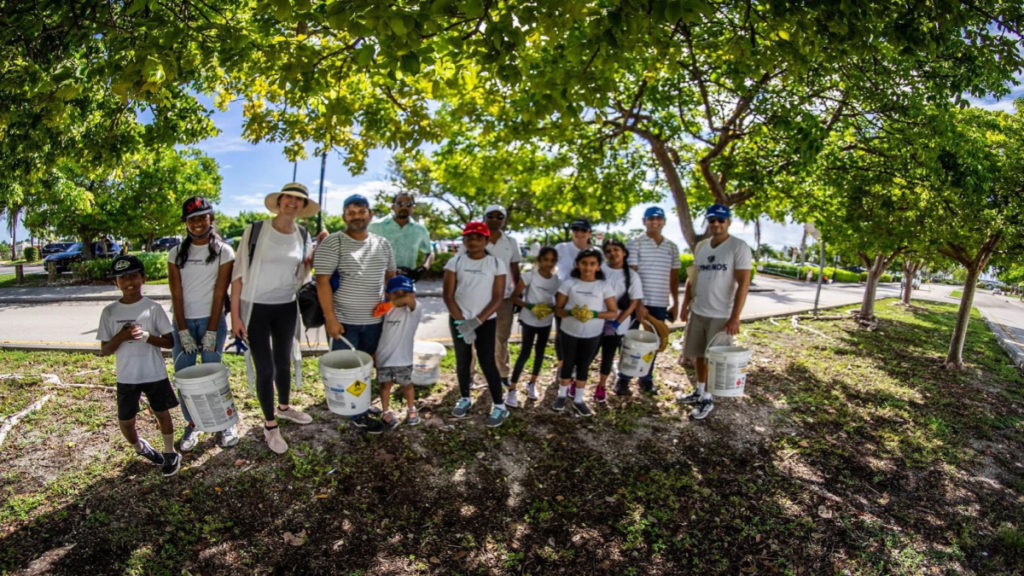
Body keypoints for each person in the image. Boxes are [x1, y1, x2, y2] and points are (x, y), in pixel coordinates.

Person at [231, 183, 318, 454]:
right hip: (255, 307)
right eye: (288, 198)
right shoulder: (256, 230)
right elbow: (237, 275)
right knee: (265, 368)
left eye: (298, 200)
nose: (292, 203)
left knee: (284, 362)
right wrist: (235, 316)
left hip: (286, 307)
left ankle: (283, 408)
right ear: (279, 201)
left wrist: (314, 256)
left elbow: (302, 273)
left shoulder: (303, 235)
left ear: (303, 207)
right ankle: (270, 426)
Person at [314, 193, 396, 433]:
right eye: (351, 213)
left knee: (365, 365)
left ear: (370, 215)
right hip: (344, 322)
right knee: (347, 369)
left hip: (375, 321)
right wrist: (331, 319)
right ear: (344, 217)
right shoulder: (333, 243)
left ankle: (359, 404)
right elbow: (322, 282)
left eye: (361, 212)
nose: (357, 217)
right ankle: (356, 414)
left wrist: (388, 306)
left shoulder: (383, 244)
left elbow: (391, 277)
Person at [97, 255, 180, 477]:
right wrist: (122, 336)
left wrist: (146, 337)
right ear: (116, 283)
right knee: (125, 421)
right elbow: (104, 350)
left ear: (143, 278)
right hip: (127, 377)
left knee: (162, 414)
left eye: (133, 276)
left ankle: (170, 452)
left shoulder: (152, 308)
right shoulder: (110, 312)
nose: (129, 282)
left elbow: (170, 342)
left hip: (154, 372)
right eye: (122, 278)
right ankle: (140, 447)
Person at [167, 196, 238, 452]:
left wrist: (210, 330)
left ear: (211, 219)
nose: (197, 223)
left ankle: (226, 422)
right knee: (185, 377)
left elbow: (220, 293)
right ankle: (192, 423)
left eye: (202, 217)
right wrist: (183, 329)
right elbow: (177, 294)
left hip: (213, 322)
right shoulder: (175, 253)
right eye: (191, 219)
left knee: (214, 376)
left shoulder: (223, 251)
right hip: (183, 322)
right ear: (186, 223)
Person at [677, 204, 752, 420]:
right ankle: (699, 391)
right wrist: (685, 305)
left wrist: (735, 317)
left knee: (714, 359)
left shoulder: (738, 247)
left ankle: (707, 399)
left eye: (721, 220)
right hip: (698, 311)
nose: (716, 224)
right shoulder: (701, 247)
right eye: (712, 220)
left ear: (728, 222)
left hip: (721, 315)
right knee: (699, 355)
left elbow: (743, 283)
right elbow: (693, 277)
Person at [443, 221, 509, 427]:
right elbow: (448, 296)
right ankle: (465, 397)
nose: (473, 241)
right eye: (469, 237)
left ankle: (500, 406)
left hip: (486, 321)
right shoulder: (455, 262)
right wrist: (462, 322)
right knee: (463, 360)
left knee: (487, 361)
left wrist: (476, 322)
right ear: (464, 240)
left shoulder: (496, 264)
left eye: (478, 237)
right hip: (459, 320)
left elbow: (498, 298)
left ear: (486, 240)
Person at [616, 206, 680, 395]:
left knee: (653, 342)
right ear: (644, 222)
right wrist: (639, 304)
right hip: (636, 302)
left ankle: (646, 379)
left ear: (664, 222)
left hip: (660, 302)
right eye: (651, 219)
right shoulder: (635, 243)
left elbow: (674, 277)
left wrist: (676, 303)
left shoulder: (672, 247)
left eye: (659, 219)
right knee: (629, 341)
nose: (655, 222)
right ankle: (623, 380)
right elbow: (631, 274)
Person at [552, 247, 618, 417]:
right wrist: (571, 312)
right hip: (569, 331)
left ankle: (579, 400)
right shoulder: (569, 283)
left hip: (592, 334)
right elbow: (557, 309)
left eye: (592, 264)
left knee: (583, 366)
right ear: (577, 264)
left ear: (598, 266)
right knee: (567, 364)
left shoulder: (603, 286)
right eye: (584, 263)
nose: (588, 267)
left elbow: (613, 312)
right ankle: (561, 395)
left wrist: (594, 314)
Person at [508, 246, 559, 406]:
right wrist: (530, 307)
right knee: (525, 352)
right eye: (545, 259)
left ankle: (532, 383)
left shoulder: (556, 281)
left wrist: (548, 309)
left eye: (552, 260)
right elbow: (514, 297)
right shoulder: (529, 276)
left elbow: (558, 303)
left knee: (540, 352)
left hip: (545, 322)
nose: (548, 263)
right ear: (539, 260)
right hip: (529, 320)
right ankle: (512, 388)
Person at [595, 238, 644, 403]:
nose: (612, 253)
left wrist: (616, 323)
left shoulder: (632, 276)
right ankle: (577, 383)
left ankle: (601, 386)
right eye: (608, 251)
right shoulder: (598, 270)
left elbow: (633, 304)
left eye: (616, 249)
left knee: (607, 356)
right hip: (595, 321)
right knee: (588, 354)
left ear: (624, 252)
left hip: (617, 325)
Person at [480, 205, 522, 389]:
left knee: (501, 337)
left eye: (500, 216)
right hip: (478, 297)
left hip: (503, 298)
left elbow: (515, 269)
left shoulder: (511, 242)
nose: (495, 219)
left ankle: (503, 373)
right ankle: (473, 375)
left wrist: (518, 294)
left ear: (504, 220)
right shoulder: (476, 239)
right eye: (491, 215)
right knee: (475, 337)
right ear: (484, 217)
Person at [376, 275, 424, 428]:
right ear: (388, 294)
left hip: (403, 359)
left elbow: (409, 301)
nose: (402, 296)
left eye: (406, 292)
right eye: (397, 292)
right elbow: (376, 312)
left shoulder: (414, 309)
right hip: (384, 358)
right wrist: (393, 302)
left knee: (407, 385)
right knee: (385, 386)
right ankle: (385, 411)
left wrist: (399, 299)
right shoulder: (385, 309)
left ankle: (411, 409)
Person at [368, 192, 434, 280]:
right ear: (393, 206)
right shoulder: (375, 227)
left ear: (413, 207)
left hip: (407, 283)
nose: (404, 207)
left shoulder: (420, 230)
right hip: (378, 283)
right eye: (399, 203)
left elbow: (430, 252)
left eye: (408, 204)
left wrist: (424, 268)